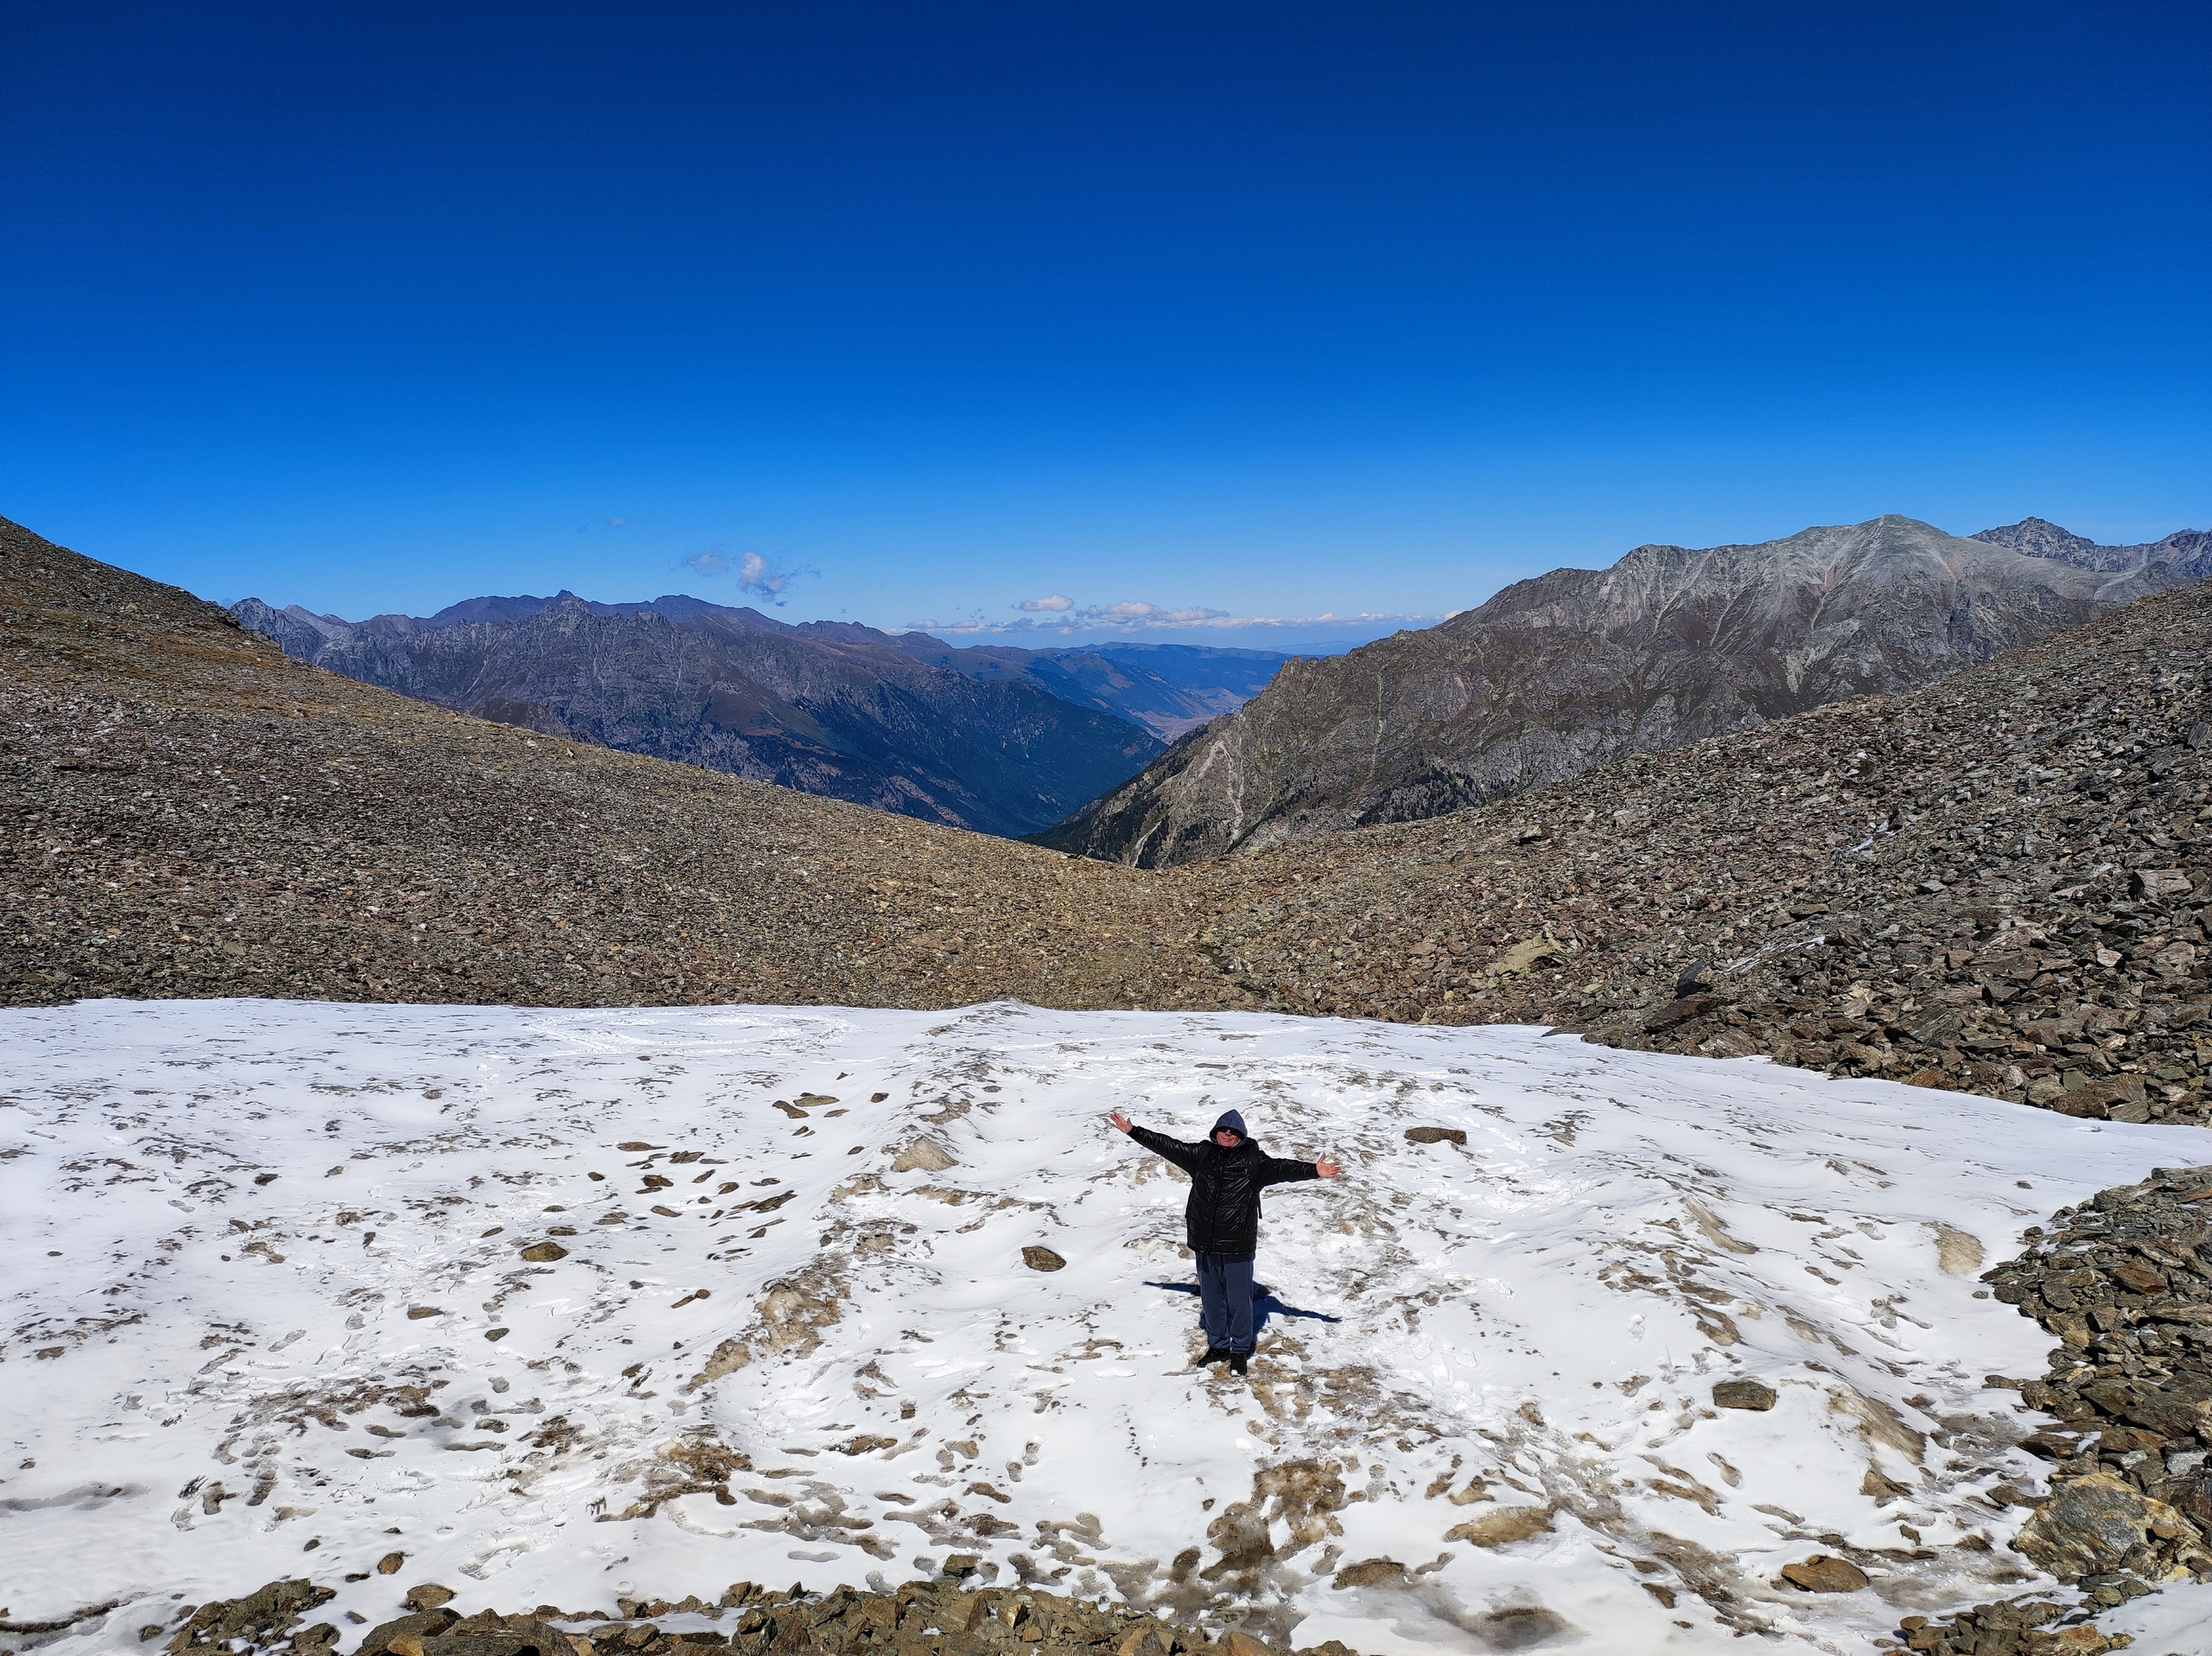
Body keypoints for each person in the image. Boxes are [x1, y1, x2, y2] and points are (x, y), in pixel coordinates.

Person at [1106, 1107, 1340, 1375]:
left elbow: (1284, 1168)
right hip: (1205, 1243)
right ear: (1215, 1132)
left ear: (1241, 1135)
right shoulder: (1201, 1156)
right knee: (1211, 1298)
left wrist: (1314, 1170)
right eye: (1223, 1130)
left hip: (1237, 1246)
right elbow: (1168, 1146)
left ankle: (1240, 1350)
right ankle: (1218, 1346)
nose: (1227, 1134)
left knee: (1240, 1302)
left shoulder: (1255, 1163)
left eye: (1234, 1131)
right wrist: (1134, 1131)